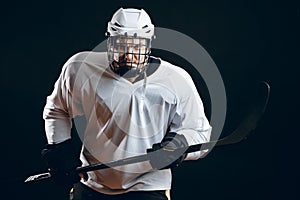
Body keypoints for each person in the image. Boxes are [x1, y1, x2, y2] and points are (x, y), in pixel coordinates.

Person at [41, 7, 212, 200]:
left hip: (147, 186)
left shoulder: (176, 79)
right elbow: (57, 110)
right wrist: (60, 149)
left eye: (136, 47)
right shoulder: (79, 67)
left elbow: (200, 134)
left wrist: (177, 146)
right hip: (91, 184)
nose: (128, 55)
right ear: (109, 40)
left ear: (149, 44)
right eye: (121, 45)